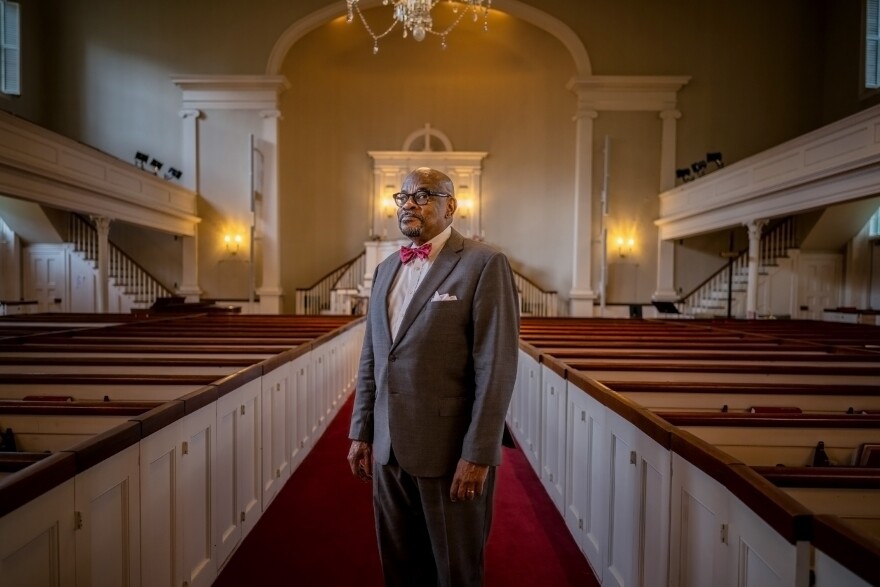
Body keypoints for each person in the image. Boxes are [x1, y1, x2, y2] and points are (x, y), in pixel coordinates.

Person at [347, 167, 520, 587]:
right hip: (388, 452)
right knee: (401, 568)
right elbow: (372, 357)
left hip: (450, 453)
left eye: (423, 195)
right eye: (403, 196)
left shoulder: (483, 263)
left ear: (451, 207)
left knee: (455, 571)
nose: (409, 203)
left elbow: (496, 366)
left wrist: (479, 454)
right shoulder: (386, 269)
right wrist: (361, 431)